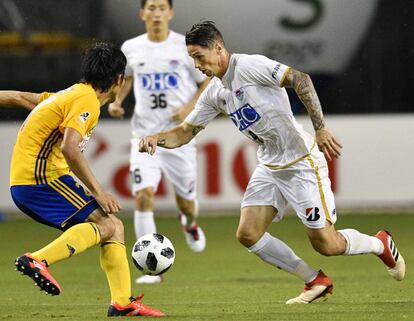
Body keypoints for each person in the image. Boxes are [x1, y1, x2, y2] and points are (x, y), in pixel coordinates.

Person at [138, 21, 406, 304]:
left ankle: (380, 244)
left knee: (327, 244)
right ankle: (315, 280)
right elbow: (184, 132)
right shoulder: (215, 92)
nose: (196, 65)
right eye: (192, 58)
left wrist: (321, 127)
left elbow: (301, 79)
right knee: (248, 233)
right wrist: (156, 138)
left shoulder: (249, 66)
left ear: (218, 48)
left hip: (302, 163)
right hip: (270, 165)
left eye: (199, 57)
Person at [8, 42, 165, 317]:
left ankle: (122, 302)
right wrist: (98, 191)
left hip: (34, 179)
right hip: (40, 179)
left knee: (113, 227)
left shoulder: (70, 94)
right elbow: (70, 147)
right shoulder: (87, 101)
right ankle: (37, 260)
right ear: (118, 79)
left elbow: (20, 98)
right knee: (105, 224)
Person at [108, 0, 209, 284]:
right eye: (150, 8)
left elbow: (206, 82)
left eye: (161, 8)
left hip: (179, 137)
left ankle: (189, 224)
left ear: (170, 13)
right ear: (142, 13)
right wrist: (117, 101)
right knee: (143, 196)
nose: (156, 13)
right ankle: (151, 269)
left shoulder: (183, 47)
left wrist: (189, 107)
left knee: (187, 203)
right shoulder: (131, 47)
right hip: (143, 136)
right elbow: (126, 78)